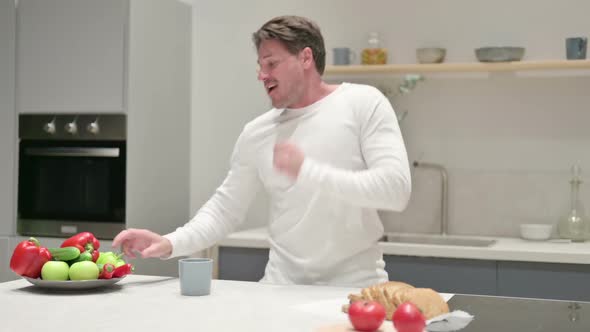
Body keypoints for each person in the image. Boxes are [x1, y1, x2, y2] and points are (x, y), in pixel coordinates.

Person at [112, 15, 411, 287]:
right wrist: (169, 242)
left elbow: (395, 190)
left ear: (305, 58)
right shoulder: (258, 132)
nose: (261, 74)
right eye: (260, 65)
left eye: (271, 63)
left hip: (356, 291)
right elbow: (224, 210)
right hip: (279, 289)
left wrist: (307, 171)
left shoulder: (363, 103)